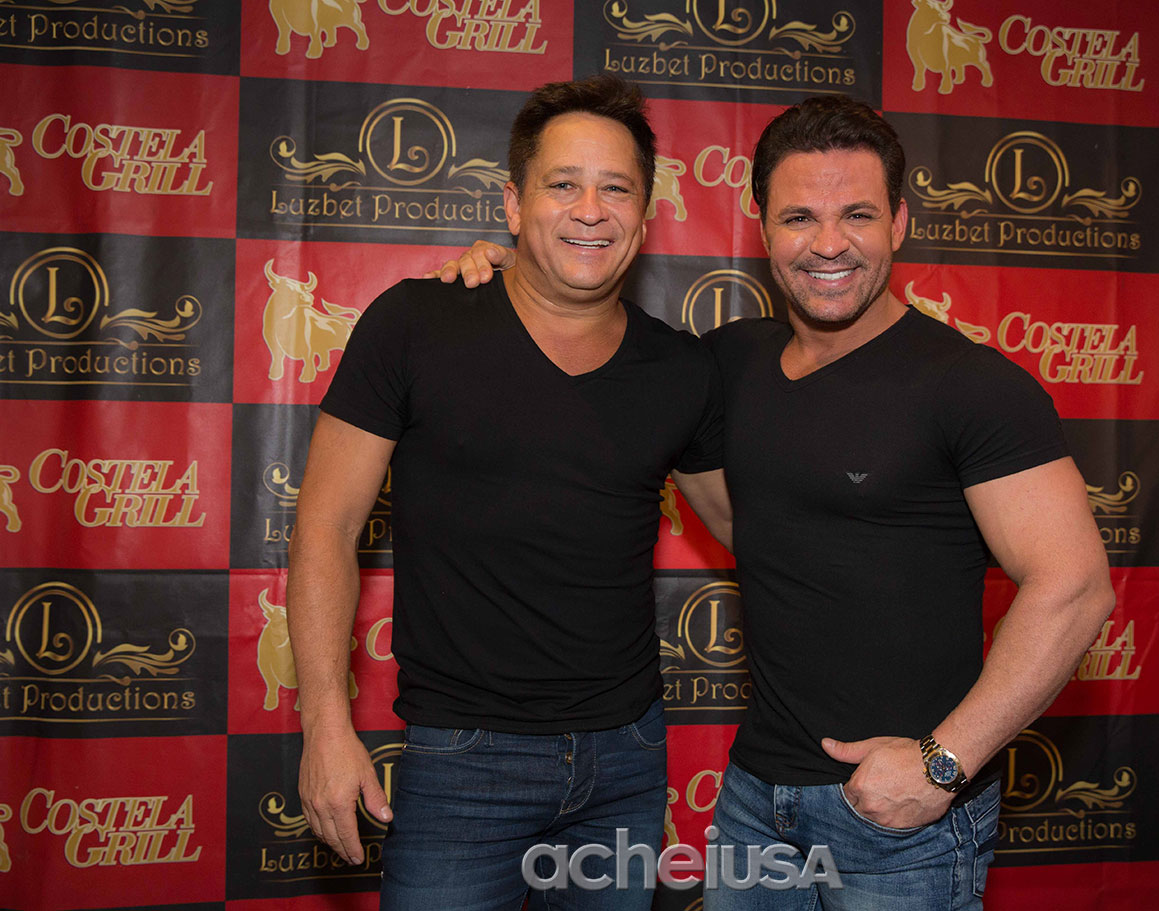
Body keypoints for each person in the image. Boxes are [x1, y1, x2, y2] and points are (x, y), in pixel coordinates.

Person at [441, 95, 1114, 909]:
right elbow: (605, 357)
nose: (828, 243)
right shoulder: (730, 363)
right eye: (799, 217)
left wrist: (942, 764)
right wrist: (510, 277)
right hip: (755, 800)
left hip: (902, 818)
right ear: (762, 228)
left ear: (900, 223)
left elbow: (1074, 586)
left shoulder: (972, 386)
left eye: (857, 214)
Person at [286, 74, 731, 911]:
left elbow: (754, 531)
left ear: (645, 215)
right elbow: (325, 527)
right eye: (563, 184)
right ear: (513, 204)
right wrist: (324, 726)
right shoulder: (416, 324)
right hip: (462, 765)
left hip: (626, 761)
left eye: (616, 189)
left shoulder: (681, 368)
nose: (590, 210)